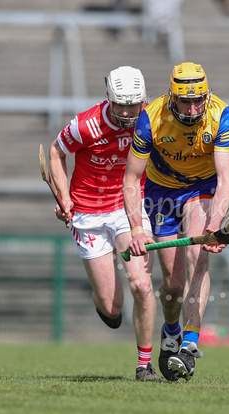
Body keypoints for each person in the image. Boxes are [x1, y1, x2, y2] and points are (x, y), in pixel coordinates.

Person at [48, 66, 163, 381]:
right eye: (121, 104)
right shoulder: (86, 126)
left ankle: (144, 365)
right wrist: (64, 197)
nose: (128, 112)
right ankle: (102, 297)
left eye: (134, 104)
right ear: (108, 97)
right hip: (87, 215)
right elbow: (57, 153)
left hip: (129, 209)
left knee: (141, 283)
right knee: (113, 308)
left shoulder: (150, 119)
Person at [123, 62, 229, 381]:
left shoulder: (221, 115)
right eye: (185, 100)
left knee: (196, 257)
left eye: (198, 99)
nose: (192, 107)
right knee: (172, 283)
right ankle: (170, 330)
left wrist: (214, 224)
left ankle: (189, 344)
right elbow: (132, 177)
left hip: (201, 189)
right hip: (161, 194)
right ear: (173, 96)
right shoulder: (151, 118)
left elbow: (225, 179)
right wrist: (135, 228)